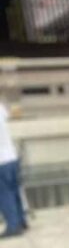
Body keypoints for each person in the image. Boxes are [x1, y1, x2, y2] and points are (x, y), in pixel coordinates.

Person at [0, 101, 26, 238]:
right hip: (11, 156)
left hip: (1, 161)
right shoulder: (1, 108)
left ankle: (13, 226)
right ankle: (21, 221)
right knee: (15, 192)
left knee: (5, 195)